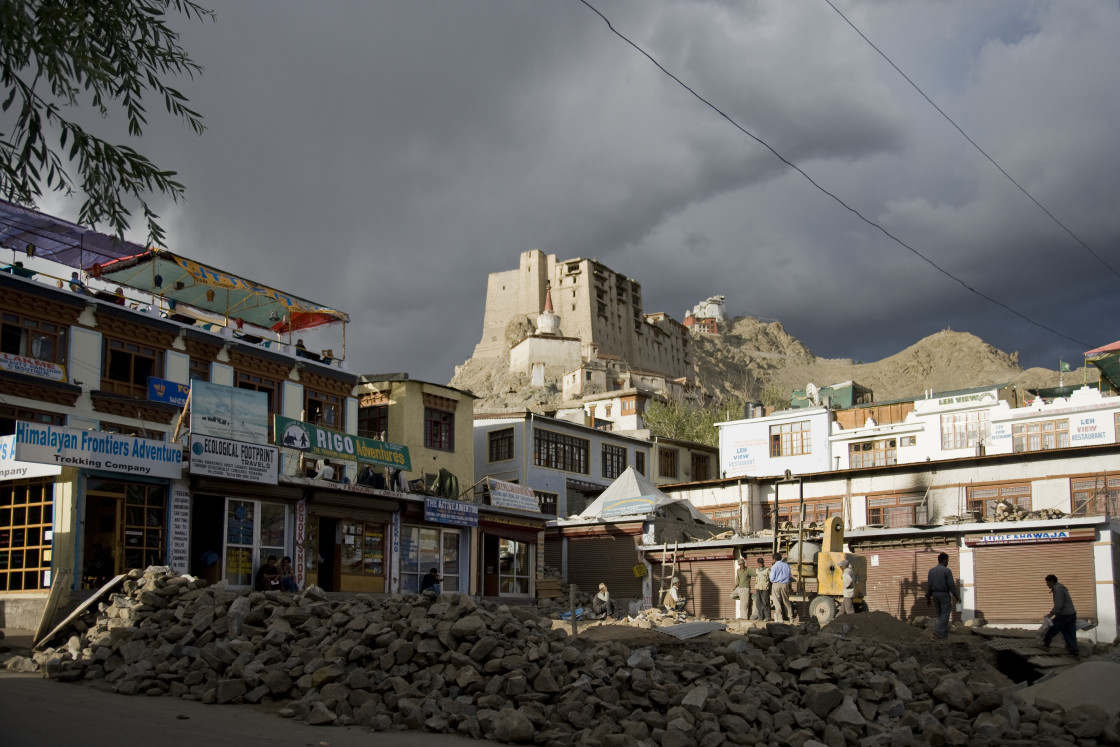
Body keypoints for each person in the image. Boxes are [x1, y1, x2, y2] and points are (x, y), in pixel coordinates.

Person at [1042, 574, 1079, 656]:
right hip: (1071, 614)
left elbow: (1058, 605)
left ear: (1052, 581)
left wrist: (1050, 615)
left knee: (1052, 630)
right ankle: (1074, 651)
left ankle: (1045, 645)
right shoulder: (1062, 588)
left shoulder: (1058, 590)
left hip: (1064, 615)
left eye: (1047, 582)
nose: (1047, 584)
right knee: (1069, 633)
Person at [925, 552, 960, 639]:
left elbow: (929, 585)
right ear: (944, 560)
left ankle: (943, 635)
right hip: (943, 594)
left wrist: (928, 597)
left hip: (934, 595)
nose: (947, 562)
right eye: (947, 560)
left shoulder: (931, 571)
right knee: (945, 613)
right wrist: (956, 595)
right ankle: (939, 632)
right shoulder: (946, 571)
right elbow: (951, 584)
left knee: (940, 614)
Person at [769, 553, 794, 622]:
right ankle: (791, 618)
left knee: (777, 602)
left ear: (774, 559)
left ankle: (780, 619)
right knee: (786, 601)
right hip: (785, 584)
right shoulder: (786, 565)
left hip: (776, 584)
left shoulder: (774, 566)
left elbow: (771, 578)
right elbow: (789, 575)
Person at [751, 557, 771, 621]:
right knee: (758, 603)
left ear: (763, 563)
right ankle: (760, 617)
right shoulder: (756, 570)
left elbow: (771, 579)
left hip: (765, 588)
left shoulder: (767, 570)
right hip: (758, 588)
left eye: (761, 563)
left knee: (765, 602)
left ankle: (767, 616)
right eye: (759, 563)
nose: (760, 564)